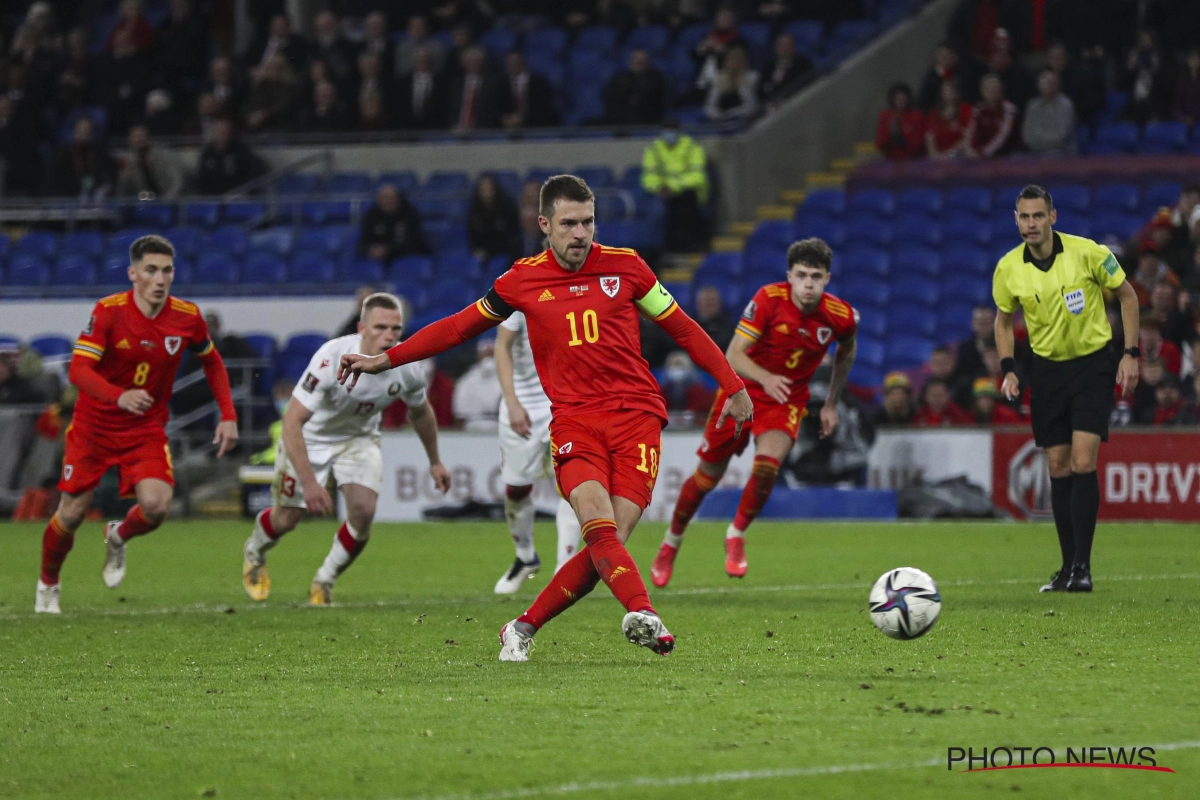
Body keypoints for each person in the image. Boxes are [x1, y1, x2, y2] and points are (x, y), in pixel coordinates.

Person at [337, 174, 753, 661]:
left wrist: (734, 385)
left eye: (589, 222)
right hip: (575, 423)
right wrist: (385, 359)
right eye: (570, 223)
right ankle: (644, 614)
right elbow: (457, 328)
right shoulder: (520, 280)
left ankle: (521, 627)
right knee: (598, 527)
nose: (581, 234)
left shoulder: (629, 268)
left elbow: (683, 328)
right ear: (544, 224)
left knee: (606, 549)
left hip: (637, 418)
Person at [36, 235, 239, 614]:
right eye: (151, 270)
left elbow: (212, 361)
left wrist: (228, 415)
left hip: (144, 429)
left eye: (167, 270)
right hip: (94, 427)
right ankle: (48, 583)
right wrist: (119, 395)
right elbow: (79, 370)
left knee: (157, 506)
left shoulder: (186, 316)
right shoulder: (109, 312)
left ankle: (118, 534)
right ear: (133, 274)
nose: (160, 279)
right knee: (72, 513)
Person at [652, 238, 857, 586]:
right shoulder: (768, 299)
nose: (809, 283)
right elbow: (733, 354)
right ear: (789, 275)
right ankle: (671, 542)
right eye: (802, 275)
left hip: (786, 399)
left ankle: (736, 534)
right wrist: (765, 376)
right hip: (740, 391)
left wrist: (832, 403)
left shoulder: (841, 316)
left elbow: (847, 352)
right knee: (706, 478)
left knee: (767, 466)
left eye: (817, 276)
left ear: (828, 279)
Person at [242, 293, 450, 605]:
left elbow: (420, 411)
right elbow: (292, 422)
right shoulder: (331, 358)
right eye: (380, 327)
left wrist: (435, 461)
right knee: (288, 519)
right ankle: (255, 552)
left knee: (364, 512)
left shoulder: (407, 366)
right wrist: (310, 483)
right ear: (362, 328)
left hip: (359, 439)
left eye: (395, 329)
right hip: (310, 438)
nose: (389, 336)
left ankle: (324, 580)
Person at [993, 185, 1140, 594]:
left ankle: (1083, 566)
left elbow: (1128, 296)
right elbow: (1003, 321)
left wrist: (1130, 352)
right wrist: (1009, 368)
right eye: (1024, 217)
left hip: (1093, 365)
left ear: (1053, 217)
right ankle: (1066, 567)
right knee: (1057, 467)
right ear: (1016, 220)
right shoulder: (1008, 268)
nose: (1031, 224)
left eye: (1038, 216)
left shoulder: (1088, 252)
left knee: (1082, 460)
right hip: (1047, 373)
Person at [493, 309, 583, 593]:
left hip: (565, 401)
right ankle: (525, 557)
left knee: (571, 484)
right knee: (516, 489)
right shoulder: (521, 285)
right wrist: (512, 402)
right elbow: (502, 346)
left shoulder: (580, 285)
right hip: (524, 406)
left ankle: (564, 569)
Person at [641, 121, 709, 253]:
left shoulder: (692, 147)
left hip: (688, 193)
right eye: (667, 130)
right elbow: (648, 177)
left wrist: (674, 186)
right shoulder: (654, 149)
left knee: (685, 207)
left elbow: (697, 176)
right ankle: (668, 251)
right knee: (661, 210)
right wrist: (659, 187)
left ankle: (691, 248)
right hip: (663, 193)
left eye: (672, 130)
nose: (669, 134)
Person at [358, 184, 429, 263]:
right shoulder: (371, 216)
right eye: (384, 199)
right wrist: (371, 250)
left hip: (404, 257)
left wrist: (388, 249)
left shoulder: (410, 214)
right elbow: (365, 239)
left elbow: (414, 240)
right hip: (377, 259)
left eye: (391, 198)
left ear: (398, 199)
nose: (388, 202)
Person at [48, 116, 116, 199]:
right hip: (69, 195)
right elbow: (55, 179)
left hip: (96, 194)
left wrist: (107, 186)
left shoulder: (100, 151)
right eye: (81, 129)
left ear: (92, 133)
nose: (83, 132)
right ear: (75, 131)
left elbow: (110, 173)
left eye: (87, 129)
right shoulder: (64, 153)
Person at [194, 117, 265, 195]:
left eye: (224, 130)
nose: (221, 133)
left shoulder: (241, 151)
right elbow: (202, 178)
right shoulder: (207, 154)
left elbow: (248, 174)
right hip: (213, 197)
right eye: (218, 130)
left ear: (230, 132)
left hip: (237, 196)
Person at [116, 124, 183, 200]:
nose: (139, 139)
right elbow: (122, 193)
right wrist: (124, 178)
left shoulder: (163, 156)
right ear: (130, 140)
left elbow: (177, 182)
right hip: (144, 202)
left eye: (142, 136)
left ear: (148, 138)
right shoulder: (129, 162)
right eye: (135, 136)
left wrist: (166, 200)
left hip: (168, 199)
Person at [603, 49, 668, 125]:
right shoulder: (620, 79)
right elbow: (610, 98)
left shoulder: (657, 80)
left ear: (647, 62)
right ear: (631, 61)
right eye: (636, 60)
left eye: (642, 61)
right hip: (622, 121)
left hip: (649, 120)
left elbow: (660, 102)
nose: (639, 63)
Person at [1022, 69, 1076, 156]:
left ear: (1058, 85)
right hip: (1035, 152)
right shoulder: (1032, 105)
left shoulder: (1066, 105)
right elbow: (1027, 137)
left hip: (1062, 153)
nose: (1048, 86)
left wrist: (1038, 138)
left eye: (1051, 83)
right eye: (1045, 83)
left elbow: (1060, 138)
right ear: (1039, 85)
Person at [467, 174, 521, 262]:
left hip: (505, 251)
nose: (486, 191)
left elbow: (513, 234)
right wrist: (476, 250)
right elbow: (472, 236)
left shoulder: (507, 208)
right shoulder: (474, 211)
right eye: (483, 188)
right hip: (482, 253)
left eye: (489, 187)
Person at [451, 338, 502, 430]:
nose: (488, 359)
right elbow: (459, 416)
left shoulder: (507, 378)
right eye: (485, 354)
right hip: (472, 427)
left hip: (498, 426)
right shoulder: (467, 380)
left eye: (491, 354)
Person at [499, 51, 558, 129]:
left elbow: (544, 108)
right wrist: (505, 119)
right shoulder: (500, 84)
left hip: (534, 127)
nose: (513, 66)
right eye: (510, 63)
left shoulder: (539, 82)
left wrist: (523, 119)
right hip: (506, 128)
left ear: (523, 63)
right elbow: (496, 108)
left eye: (516, 62)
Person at [700, 44, 758, 122]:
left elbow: (752, 106)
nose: (734, 64)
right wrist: (716, 115)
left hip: (746, 120)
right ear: (725, 63)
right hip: (722, 121)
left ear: (743, 62)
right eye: (731, 60)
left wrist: (733, 113)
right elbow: (709, 106)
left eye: (737, 60)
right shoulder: (719, 78)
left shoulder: (752, 77)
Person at [967, 73, 1018, 158]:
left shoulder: (1009, 110)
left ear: (1001, 90)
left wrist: (982, 153)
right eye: (988, 88)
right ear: (982, 91)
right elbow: (971, 133)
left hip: (1007, 155)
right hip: (981, 155)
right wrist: (970, 150)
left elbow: (1002, 136)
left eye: (995, 88)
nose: (992, 91)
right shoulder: (978, 110)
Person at [396, 47, 449, 130]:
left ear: (430, 62)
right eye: (419, 61)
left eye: (425, 60)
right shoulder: (403, 82)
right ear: (414, 62)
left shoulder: (441, 82)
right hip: (407, 128)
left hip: (434, 127)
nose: (422, 63)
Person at [758, 31, 811, 111]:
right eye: (781, 46)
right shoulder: (769, 66)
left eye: (788, 45)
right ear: (776, 48)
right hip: (770, 107)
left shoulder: (803, 63)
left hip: (795, 103)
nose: (785, 48)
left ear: (793, 47)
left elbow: (804, 83)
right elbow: (760, 89)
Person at [875, 82, 924, 160]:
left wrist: (900, 137)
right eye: (898, 98)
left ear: (908, 98)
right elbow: (880, 143)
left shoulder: (916, 116)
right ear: (893, 99)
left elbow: (917, 144)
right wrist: (892, 135)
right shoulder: (885, 116)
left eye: (903, 97)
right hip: (890, 160)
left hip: (913, 160)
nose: (900, 100)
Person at [924, 80, 971, 159]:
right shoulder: (933, 114)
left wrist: (950, 154)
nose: (948, 93)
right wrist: (936, 156)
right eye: (945, 91)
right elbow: (929, 138)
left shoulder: (965, 110)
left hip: (960, 156)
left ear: (957, 93)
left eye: (951, 91)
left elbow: (969, 136)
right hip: (938, 158)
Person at [693, 285, 736, 350]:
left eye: (712, 301)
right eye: (706, 302)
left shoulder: (728, 324)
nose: (709, 304)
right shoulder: (690, 322)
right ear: (698, 304)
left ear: (719, 303)